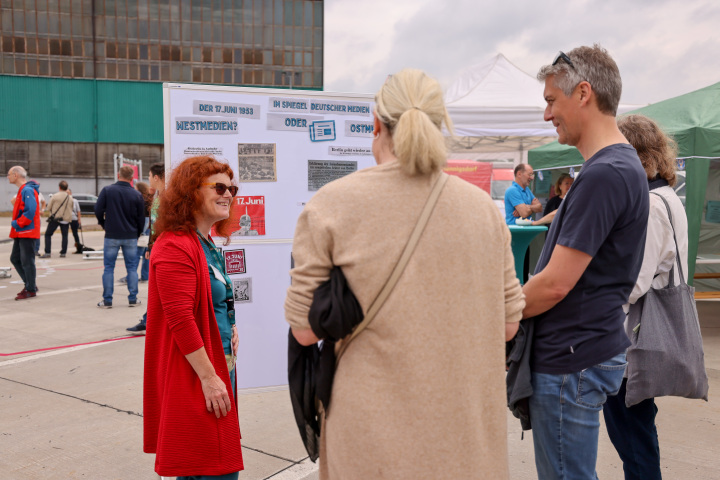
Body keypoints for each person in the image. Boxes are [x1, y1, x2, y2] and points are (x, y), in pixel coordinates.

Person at [285, 69, 525, 479]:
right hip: (464, 433)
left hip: (371, 434)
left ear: (376, 125)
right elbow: (507, 326)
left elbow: (305, 332)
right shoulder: (483, 209)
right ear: (439, 124)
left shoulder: (331, 205)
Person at [507, 45, 650, 479]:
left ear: (583, 93)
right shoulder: (614, 167)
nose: (547, 114)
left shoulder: (606, 172)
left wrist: (497, 314)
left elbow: (555, 284)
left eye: (552, 100)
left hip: (571, 359)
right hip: (582, 350)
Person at [143, 156, 243, 478]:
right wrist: (210, 379)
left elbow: (216, 296)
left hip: (218, 366)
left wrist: (231, 325)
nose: (228, 194)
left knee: (203, 466)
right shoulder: (174, 246)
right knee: (215, 469)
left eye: (231, 188)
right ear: (190, 192)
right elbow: (180, 319)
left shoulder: (207, 244)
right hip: (197, 375)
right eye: (218, 186)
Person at [602, 114, 687, 480]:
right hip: (643, 335)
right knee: (638, 433)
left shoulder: (651, 206)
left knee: (633, 441)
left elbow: (633, 282)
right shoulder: (667, 197)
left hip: (630, 340)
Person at [94, 165, 145, 308]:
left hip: (112, 234)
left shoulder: (108, 190)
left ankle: (108, 300)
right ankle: (133, 299)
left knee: (109, 267)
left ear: (118, 175)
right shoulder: (136, 194)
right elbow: (141, 217)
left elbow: (97, 209)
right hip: (130, 235)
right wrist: (137, 232)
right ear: (132, 178)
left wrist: (103, 224)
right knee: (132, 267)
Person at [127, 162, 166, 333]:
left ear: (156, 177)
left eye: (149, 176)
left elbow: (159, 225)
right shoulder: (159, 195)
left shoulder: (166, 196)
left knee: (158, 289)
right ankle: (148, 319)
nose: (148, 180)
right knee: (156, 289)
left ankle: (148, 320)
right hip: (158, 246)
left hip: (164, 248)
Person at [7, 166, 41, 300]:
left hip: (27, 231)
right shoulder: (24, 190)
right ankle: (30, 284)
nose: (7, 177)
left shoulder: (27, 190)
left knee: (27, 261)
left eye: (9, 174)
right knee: (15, 258)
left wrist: (17, 223)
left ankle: (31, 289)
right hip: (21, 232)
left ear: (16, 175)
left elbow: (30, 212)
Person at [120, 181, 152, 284]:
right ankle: (145, 276)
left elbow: (145, 220)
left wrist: (140, 233)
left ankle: (130, 277)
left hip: (143, 232)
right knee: (145, 255)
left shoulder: (142, 201)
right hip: (148, 232)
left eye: (135, 188)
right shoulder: (148, 200)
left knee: (136, 255)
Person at [42, 181, 74, 258]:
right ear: (67, 188)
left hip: (56, 218)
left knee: (48, 234)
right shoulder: (70, 198)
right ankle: (63, 252)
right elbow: (71, 208)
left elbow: (49, 207)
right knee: (65, 236)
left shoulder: (55, 196)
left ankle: (48, 252)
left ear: (59, 187)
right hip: (66, 219)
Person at [67, 189, 83, 254]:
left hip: (74, 218)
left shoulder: (75, 201)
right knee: (65, 234)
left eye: (68, 193)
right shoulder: (64, 201)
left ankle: (79, 248)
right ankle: (64, 249)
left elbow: (78, 211)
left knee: (75, 234)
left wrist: (79, 219)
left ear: (71, 193)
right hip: (66, 219)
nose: (67, 194)